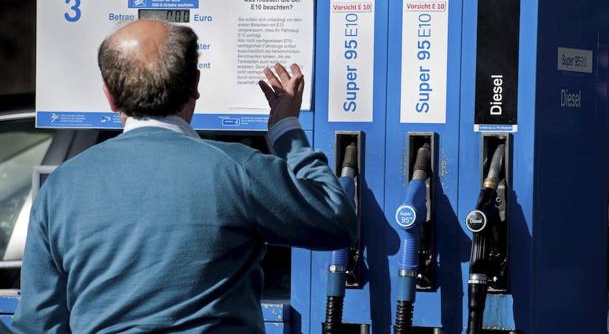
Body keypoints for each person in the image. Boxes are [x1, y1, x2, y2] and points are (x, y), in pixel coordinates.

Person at [11, 19, 357, 333]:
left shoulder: (60, 188)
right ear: (195, 84)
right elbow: (337, 220)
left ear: (110, 98)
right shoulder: (237, 168)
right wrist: (286, 129)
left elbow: (38, 325)